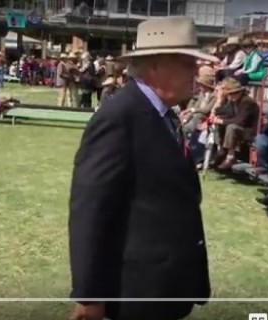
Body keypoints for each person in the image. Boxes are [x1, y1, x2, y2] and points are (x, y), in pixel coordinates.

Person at [68, 17, 218, 320]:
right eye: (189, 62)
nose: (197, 72)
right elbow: (90, 210)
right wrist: (89, 295)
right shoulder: (120, 116)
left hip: (164, 286)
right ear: (155, 65)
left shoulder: (163, 114)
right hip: (138, 293)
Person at [211, 77, 260, 170]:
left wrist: (222, 121)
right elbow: (226, 114)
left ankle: (230, 156)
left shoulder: (247, 102)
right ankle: (221, 151)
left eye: (234, 93)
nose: (231, 96)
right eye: (230, 94)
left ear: (240, 92)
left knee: (231, 127)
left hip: (248, 131)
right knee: (219, 125)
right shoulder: (233, 101)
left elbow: (240, 120)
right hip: (238, 128)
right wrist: (219, 102)